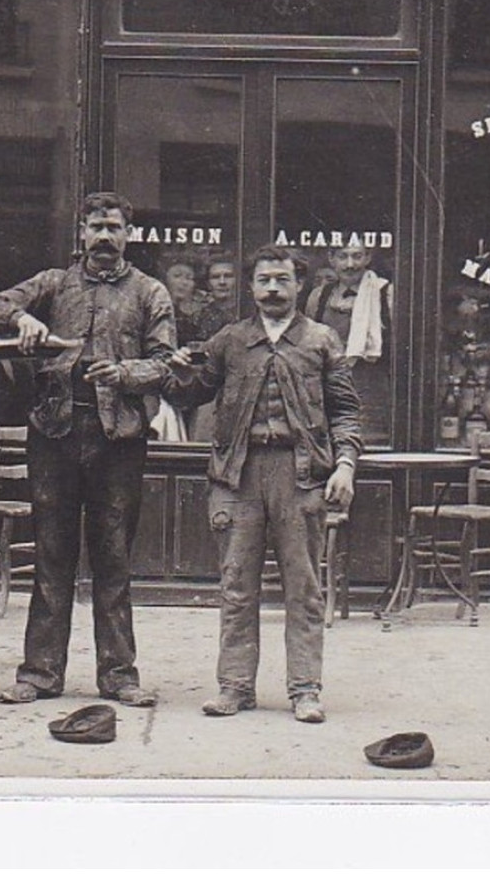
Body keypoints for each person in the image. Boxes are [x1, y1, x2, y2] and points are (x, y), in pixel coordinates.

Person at [0, 192, 176, 707]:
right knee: (51, 556)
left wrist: (125, 373)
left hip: (119, 438)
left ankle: (120, 676)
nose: (105, 237)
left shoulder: (151, 293)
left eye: (114, 228)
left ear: (129, 235)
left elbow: (169, 364)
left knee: (113, 560)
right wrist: (21, 321)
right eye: (95, 227)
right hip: (55, 434)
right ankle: (39, 674)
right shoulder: (54, 283)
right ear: (80, 233)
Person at [165, 245, 361, 724]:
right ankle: (234, 687)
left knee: (304, 587)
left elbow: (346, 411)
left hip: (301, 476)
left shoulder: (322, 341)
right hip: (239, 476)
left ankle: (305, 689)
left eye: (283, 280)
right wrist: (174, 371)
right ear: (251, 288)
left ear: (299, 286)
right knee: (236, 585)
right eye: (264, 280)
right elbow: (192, 391)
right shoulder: (230, 341)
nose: (273, 289)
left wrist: (346, 465)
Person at [305, 243, 393, 445]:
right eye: (343, 257)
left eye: (357, 256)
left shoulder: (385, 294)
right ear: (331, 259)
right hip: (329, 394)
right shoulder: (318, 297)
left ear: (368, 258)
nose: (350, 264)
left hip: (372, 394)